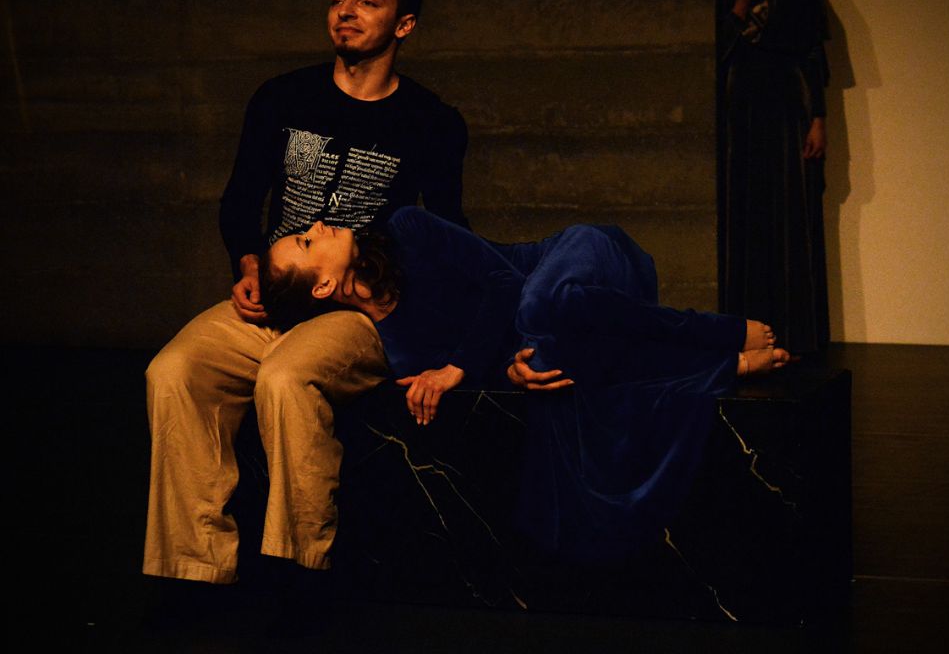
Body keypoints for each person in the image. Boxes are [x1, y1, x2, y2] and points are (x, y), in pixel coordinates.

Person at [143, 0, 470, 587]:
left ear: (404, 24)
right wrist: (248, 267)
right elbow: (240, 201)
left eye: (368, 2)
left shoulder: (431, 122)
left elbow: (448, 235)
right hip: (274, 296)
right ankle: (191, 569)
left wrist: (438, 337)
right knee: (173, 371)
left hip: (356, 308)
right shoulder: (282, 97)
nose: (346, 12)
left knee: (287, 376)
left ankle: (298, 570)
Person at [259, 206, 791, 563]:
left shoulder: (406, 229)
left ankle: (716, 335)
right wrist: (511, 373)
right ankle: (718, 366)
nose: (319, 225)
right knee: (547, 363)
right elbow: (500, 364)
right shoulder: (397, 349)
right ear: (323, 287)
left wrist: (457, 368)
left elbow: (504, 284)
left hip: (580, 260)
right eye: (307, 240)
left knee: (538, 307)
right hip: (576, 329)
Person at [718, 0, 830, 354]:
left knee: (787, 219)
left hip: (785, 115)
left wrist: (817, 118)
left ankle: (792, 335)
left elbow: (811, 52)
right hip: (739, 116)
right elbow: (713, 55)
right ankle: (746, 334)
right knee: (745, 219)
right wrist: (740, 5)